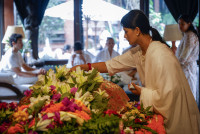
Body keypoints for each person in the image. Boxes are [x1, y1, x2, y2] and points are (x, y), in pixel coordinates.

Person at [71, 10, 200, 134]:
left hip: (176, 116)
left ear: (137, 30)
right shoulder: (139, 51)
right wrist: (84, 67)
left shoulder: (160, 54)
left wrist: (141, 91)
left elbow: (170, 96)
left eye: (126, 32)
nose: (124, 36)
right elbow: (110, 64)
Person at [176, 15, 199, 101]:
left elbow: (184, 56)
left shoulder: (190, 35)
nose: (180, 26)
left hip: (187, 69)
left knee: (187, 94)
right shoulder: (187, 35)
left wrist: (174, 64)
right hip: (186, 68)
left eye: (182, 24)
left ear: (189, 24)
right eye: (179, 24)